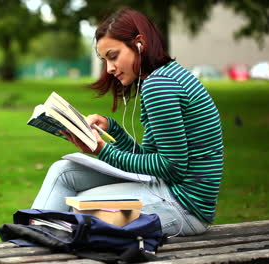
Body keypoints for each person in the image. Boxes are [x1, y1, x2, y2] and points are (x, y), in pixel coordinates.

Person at [31, 8, 224, 237]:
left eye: (113, 56)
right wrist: (113, 129)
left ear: (139, 44)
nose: (110, 68)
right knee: (64, 172)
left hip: (184, 208)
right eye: (104, 60)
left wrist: (102, 150)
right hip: (167, 190)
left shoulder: (159, 86)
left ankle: (32, 248)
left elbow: (171, 167)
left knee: (76, 207)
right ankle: (33, 243)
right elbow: (151, 159)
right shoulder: (165, 77)